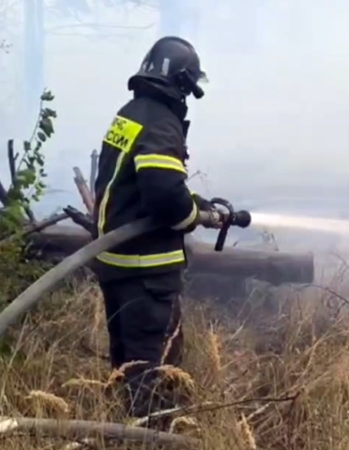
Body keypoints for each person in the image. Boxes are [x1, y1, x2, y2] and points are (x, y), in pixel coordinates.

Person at [91, 36, 219, 420]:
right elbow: (163, 195)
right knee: (154, 379)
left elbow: (144, 184)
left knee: (128, 372)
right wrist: (192, 215)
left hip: (118, 268)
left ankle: (124, 435)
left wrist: (192, 203)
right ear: (181, 83)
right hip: (145, 273)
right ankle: (150, 439)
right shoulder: (161, 122)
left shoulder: (132, 113)